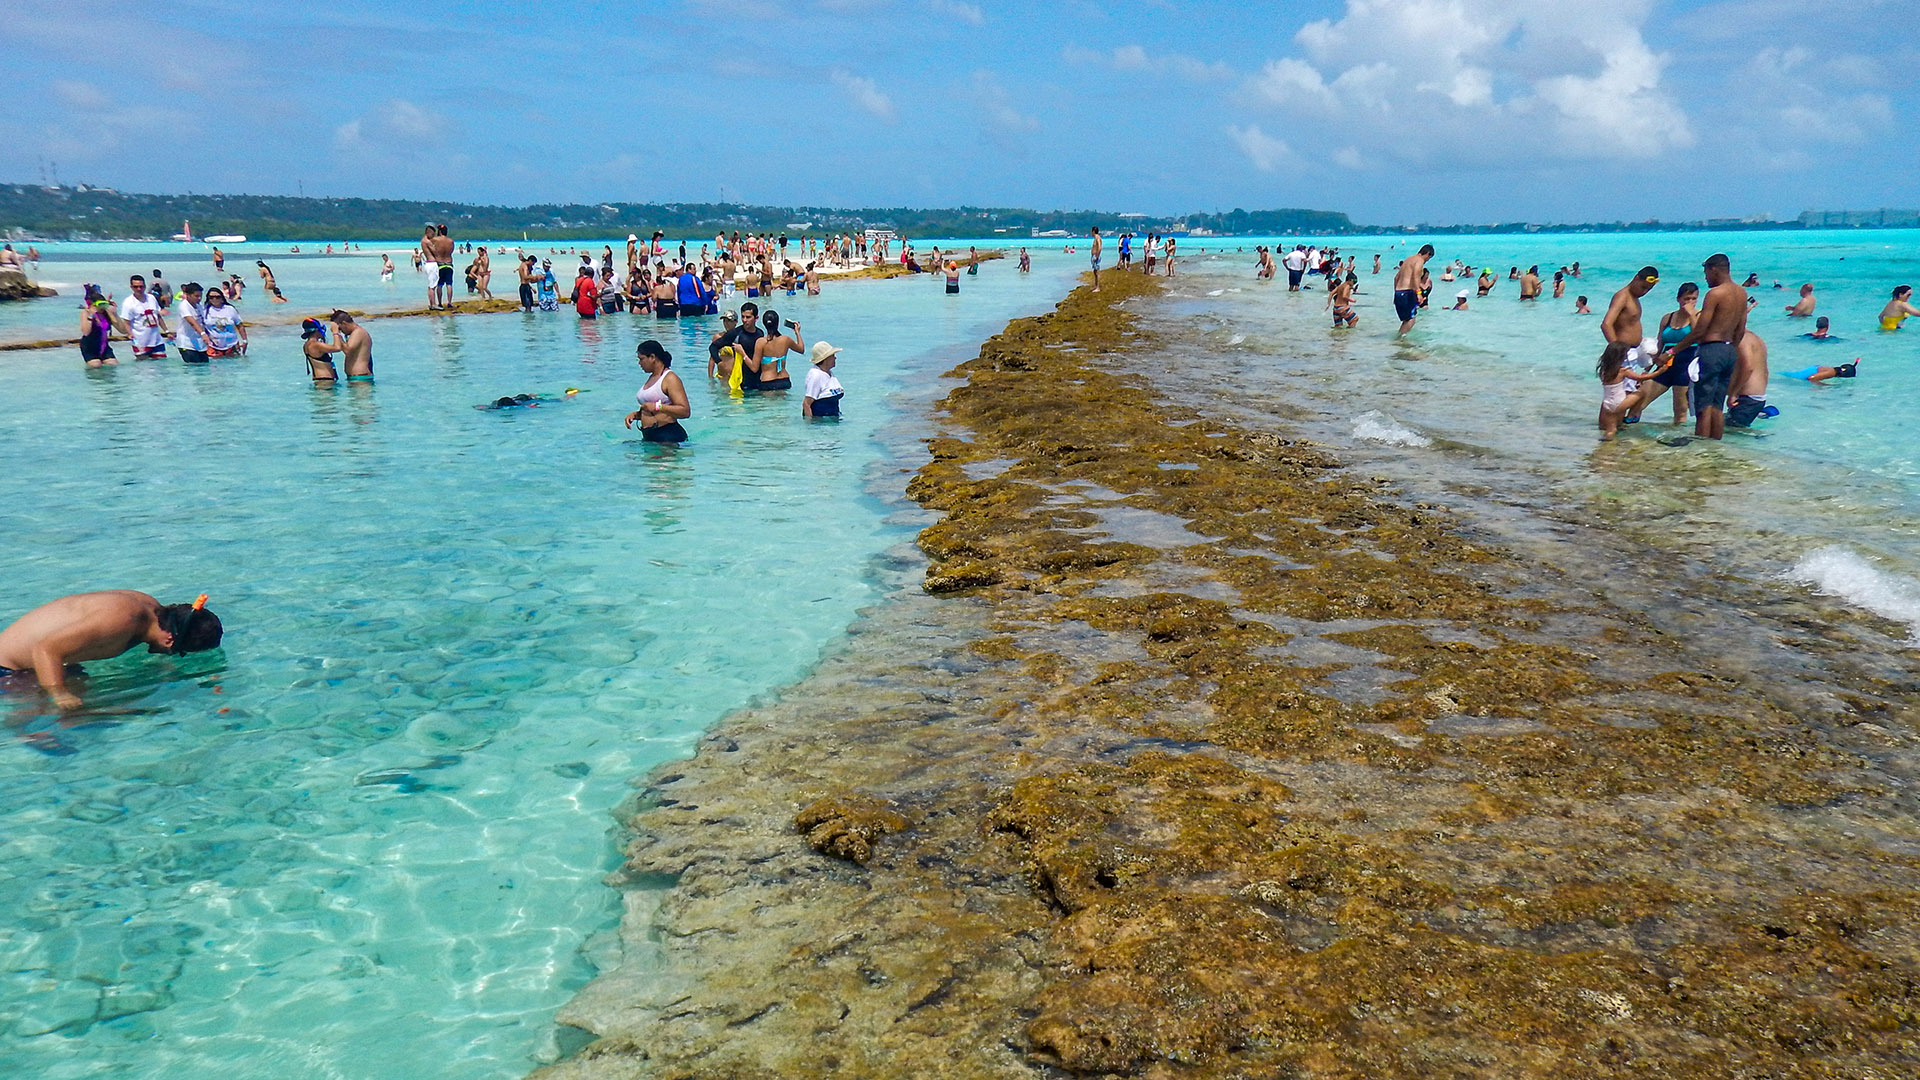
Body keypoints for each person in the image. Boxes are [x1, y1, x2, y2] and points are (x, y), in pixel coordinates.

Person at [0, 591, 222, 713]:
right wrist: (59, 694)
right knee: (69, 702)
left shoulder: (150, 610)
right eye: (178, 652)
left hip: (39, 657)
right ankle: (25, 733)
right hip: (8, 669)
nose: (172, 655)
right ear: (170, 639)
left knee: (83, 686)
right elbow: (45, 648)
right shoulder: (120, 621)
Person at [1665, 253, 1748, 440]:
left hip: (1711, 350)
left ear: (1714, 269)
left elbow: (1700, 330)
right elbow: (1740, 330)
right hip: (1729, 350)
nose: (1705, 278)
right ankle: (1714, 446)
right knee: (1717, 405)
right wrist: (1730, 350)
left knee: (1703, 406)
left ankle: (1700, 447)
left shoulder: (1715, 294)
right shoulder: (1741, 293)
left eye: (1706, 273)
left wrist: (1672, 351)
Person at [1636, 282, 1699, 425]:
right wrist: (1646, 370)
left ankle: (1676, 443)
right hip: (1665, 365)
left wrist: (1691, 314)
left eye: (1693, 299)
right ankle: (1628, 429)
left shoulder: (1698, 315)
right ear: (1678, 299)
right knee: (1640, 399)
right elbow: (1660, 344)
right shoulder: (1668, 318)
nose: (1690, 302)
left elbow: (1698, 334)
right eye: (1686, 298)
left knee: (1680, 410)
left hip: (1686, 366)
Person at [1596, 341, 1671, 440]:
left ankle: (1605, 442)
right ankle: (1633, 415)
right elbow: (1640, 378)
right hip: (1619, 403)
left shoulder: (1604, 370)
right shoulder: (1622, 371)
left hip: (1607, 403)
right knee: (1641, 393)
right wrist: (1660, 371)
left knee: (1611, 429)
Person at [624, 340, 691, 443]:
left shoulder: (670, 378)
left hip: (668, 436)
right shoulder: (652, 377)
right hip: (651, 436)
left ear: (652, 357)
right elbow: (652, 410)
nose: (639, 363)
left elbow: (685, 411)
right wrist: (637, 415)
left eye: (641, 359)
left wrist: (657, 406)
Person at [114, 274, 170, 359]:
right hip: (140, 341)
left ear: (145, 286)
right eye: (136, 287)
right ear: (131, 287)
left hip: (157, 341)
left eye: (141, 286)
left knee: (160, 366)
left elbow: (158, 316)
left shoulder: (151, 298)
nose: (139, 289)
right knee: (143, 368)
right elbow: (126, 322)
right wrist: (130, 334)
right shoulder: (128, 303)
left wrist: (166, 331)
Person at [1726, 330, 1770, 428]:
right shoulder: (1756, 338)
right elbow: (1765, 370)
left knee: (1733, 432)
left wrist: (1733, 394)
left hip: (1747, 397)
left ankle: (1762, 437)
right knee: (1734, 429)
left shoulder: (1743, 339)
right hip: (1756, 396)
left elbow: (1748, 367)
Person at [78, 287, 129, 367]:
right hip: (89, 346)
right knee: (96, 366)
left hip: (104, 345)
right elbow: (86, 332)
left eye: (104, 304)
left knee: (114, 364)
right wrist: (91, 315)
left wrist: (114, 314)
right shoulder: (85, 313)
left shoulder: (107, 313)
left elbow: (123, 331)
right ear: (93, 305)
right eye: (99, 305)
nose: (102, 308)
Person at [1393, 244, 1434, 336]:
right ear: (1427, 253)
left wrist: (1395, 293)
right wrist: (1418, 293)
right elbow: (1416, 276)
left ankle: (1399, 339)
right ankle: (1400, 340)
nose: (1427, 260)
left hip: (1399, 292)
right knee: (1411, 319)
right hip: (1408, 293)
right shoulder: (1419, 261)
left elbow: (1396, 278)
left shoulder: (1408, 260)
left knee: (1406, 320)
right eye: (1429, 257)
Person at [173, 282, 213, 365]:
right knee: (192, 368)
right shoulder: (184, 306)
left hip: (199, 343)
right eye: (196, 296)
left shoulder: (199, 306)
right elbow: (192, 322)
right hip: (186, 344)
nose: (199, 298)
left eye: (200, 296)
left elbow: (203, 321)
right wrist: (203, 334)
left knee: (204, 367)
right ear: (188, 295)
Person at [326, 309, 374, 380]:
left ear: (344, 323)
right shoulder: (354, 333)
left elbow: (347, 351)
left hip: (361, 377)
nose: (341, 331)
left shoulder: (358, 332)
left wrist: (336, 333)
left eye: (340, 328)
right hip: (356, 377)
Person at [802, 341, 844, 419]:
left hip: (832, 421)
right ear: (825, 359)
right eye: (832, 356)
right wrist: (810, 427)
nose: (835, 358)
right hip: (820, 424)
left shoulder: (829, 373)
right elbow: (806, 404)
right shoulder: (815, 375)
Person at [201, 286, 246, 356]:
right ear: (208, 299)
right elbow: (199, 328)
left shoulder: (230, 309)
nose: (214, 299)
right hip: (213, 346)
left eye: (217, 297)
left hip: (232, 345)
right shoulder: (204, 311)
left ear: (222, 298)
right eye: (211, 297)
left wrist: (244, 341)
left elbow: (240, 326)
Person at [426, 224, 455, 310]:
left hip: (440, 264)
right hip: (449, 263)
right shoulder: (451, 241)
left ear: (440, 231)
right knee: (449, 284)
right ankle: (449, 302)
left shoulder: (435, 240)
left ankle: (439, 303)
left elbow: (428, 244)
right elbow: (451, 251)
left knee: (439, 284)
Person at [301, 318, 338, 383]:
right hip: (325, 380)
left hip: (319, 379)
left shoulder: (306, 345)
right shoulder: (316, 345)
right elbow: (337, 348)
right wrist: (335, 332)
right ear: (317, 330)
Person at [1787, 358, 1860, 383]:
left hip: (1793, 375)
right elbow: (1811, 378)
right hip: (1796, 378)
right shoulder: (1831, 373)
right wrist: (1823, 386)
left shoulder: (1829, 369)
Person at [1089, 226, 1103, 291]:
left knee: (1097, 271)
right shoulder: (1095, 238)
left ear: (1093, 231)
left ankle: (1098, 287)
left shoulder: (1097, 237)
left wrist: (1097, 256)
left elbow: (1099, 247)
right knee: (1095, 271)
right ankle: (1096, 286)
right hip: (1094, 256)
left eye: (1091, 231)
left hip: (1095, 256)